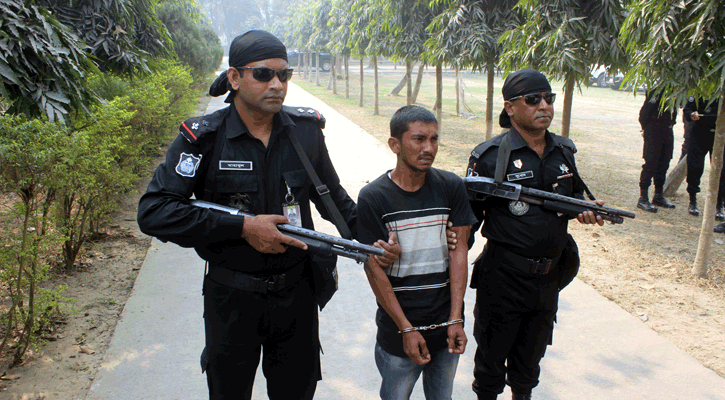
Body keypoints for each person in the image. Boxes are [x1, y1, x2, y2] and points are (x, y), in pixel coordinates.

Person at [136, 30, 401, 399]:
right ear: (235, 78)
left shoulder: (305, 133)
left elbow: (333, 199)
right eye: (263, 75)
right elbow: (154, 212)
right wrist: (242, 226)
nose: (277, 84)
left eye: (284, 75)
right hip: (230, 298)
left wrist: (375, 239)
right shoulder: (204, 138)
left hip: (297, 296)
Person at [466, 69, 605, 400]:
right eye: (533, 99)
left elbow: (571, 202)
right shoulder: (489, 157)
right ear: (510, 108)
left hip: (547, 280)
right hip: (502, 278)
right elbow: (468, 220)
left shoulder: (563, 152)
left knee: (529, 366)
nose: (544, 105)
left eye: (548, 98)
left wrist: (587, 210)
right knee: (490, 366)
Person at [357, 105, 478, 400]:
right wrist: (405, 330)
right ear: (395, 144)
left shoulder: (451, 186)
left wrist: (455, 318)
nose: (429, 148)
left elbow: (459, 250)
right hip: (399, 332)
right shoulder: (373, 197)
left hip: (446, 328)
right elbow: (373, 268)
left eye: (434, 139)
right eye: (419, 139)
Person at [636, 89, 677, 212]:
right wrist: (647, 129)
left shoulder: (676, 90)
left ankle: (658, 196)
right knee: (650, 164)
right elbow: (644, 114)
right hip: (654, 131)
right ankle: (643, 198)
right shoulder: (658, 90)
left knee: (664, 164)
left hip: (668, 131)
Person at [684, 96, 723, 219]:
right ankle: (693, 201)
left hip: (720, 135)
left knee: (721, 171)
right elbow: (687, 109)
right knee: (695, 167)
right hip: (700, 134)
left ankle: (719, 205)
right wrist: (692, 114)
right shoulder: (701, 88)